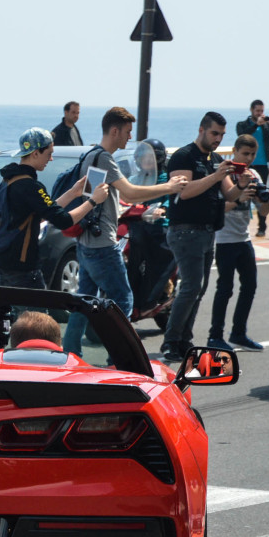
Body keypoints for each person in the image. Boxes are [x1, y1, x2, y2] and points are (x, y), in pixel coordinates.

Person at [61, 107, 187, 356]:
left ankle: (71, 353)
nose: (130, 138)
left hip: (87, 242)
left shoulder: (92, 155)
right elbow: (129, 191)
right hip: (102, 244)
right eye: (128, 132)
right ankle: (119, 357)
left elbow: (99, 200)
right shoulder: (104, 158)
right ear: (115, 130)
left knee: (85, 301)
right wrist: (169, 187)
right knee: (123, 300)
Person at [160, 112, 241, 363]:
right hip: (185, 231)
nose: (218, 139)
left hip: (207, 232)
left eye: (221, 135)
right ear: (202, 130)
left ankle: (184, 339)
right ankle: (171, 341)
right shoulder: (184, 156)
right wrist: (216, 176)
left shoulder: (215, 160)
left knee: (199, 288)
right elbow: (183, 192)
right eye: (214, 133)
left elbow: (229, 195)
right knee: (191, 286)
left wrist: (242, 184)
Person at [0, 127, 108, 291]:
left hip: (3, 262)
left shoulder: (8, 181)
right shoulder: (30, 187)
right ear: (35, 153)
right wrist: (93, 201)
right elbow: (63, 220)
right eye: (49, 153)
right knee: (36, 315)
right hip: (22, 268)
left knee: (18, 314)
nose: (51, 159)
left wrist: (73, 193)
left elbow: (44, 213)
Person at [207, 134, 269, 353]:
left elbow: (264, 211)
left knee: (250, 285)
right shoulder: (224, 173)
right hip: (224, 239)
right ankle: (215, 335)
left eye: (252, 154)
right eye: (245, 154)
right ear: (234, 151)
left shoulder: (254, 174)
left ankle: (238, 333)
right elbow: (216, 208)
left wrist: (263, 201)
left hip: (244, 238)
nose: (249, 159)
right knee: (225, 288)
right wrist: (238, 199)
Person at [235, 100, 269, 237]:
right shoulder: (243, 124)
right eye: (257, 111)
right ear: (251, 110)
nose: (260, 113)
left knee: (261, 194)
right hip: (245, 165)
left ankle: (262, 226)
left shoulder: (266, 127)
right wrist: (256, 124)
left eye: (262, 111)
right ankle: (241, 223)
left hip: (262, 165)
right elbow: (242, 134)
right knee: (240, 191)